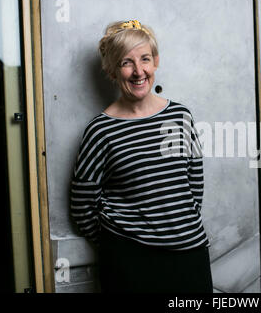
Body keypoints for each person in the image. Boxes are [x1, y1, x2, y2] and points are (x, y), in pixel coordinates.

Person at [70, 20, 213, 293]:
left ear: (155, 62)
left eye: (145, 59)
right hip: (130, 264)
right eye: (127, 62)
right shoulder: (101, 130)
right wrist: (119, 243)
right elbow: (82, 204)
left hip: (189, 255)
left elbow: (195, 186)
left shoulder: (180, 117)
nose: (138, 72)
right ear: (112, 70)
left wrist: (175, 225)